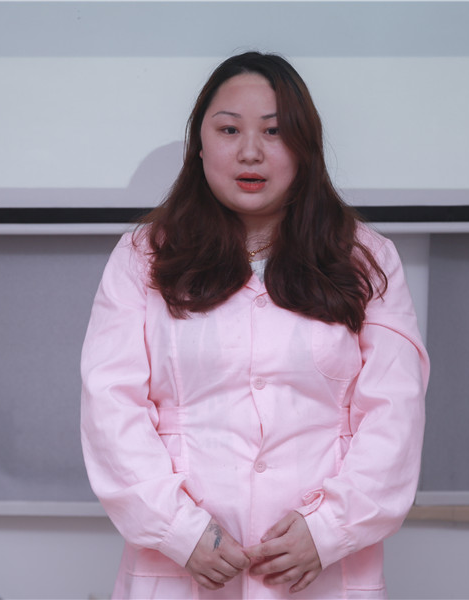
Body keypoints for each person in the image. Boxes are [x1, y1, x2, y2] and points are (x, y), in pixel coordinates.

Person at [80, 51, 429, 599]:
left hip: (321, 568)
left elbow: (395, 413)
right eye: (229, 130)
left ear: (305, 146)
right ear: (199, 144)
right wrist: (179, 531)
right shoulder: (142, 257)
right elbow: (111, 406)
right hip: (181, 567)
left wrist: (327, 530)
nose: (250, 152)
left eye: (274, 131)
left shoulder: (366, 258)